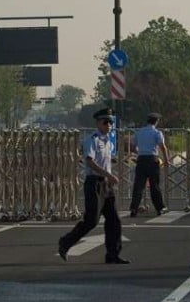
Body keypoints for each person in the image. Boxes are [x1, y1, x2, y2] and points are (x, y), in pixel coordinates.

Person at [58, 108, 129, 264]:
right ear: (98, 123)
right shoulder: (92, 140)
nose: (109, 125)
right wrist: (108, 174)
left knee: (114, 220)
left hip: (106, 185)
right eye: (105, 122)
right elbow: (90, 161)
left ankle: (113, 254)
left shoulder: (108, 142)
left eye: (111, 122)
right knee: (91, 221)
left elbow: (106, 160)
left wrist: (110, 172)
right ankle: (66, 242)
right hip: (94, 183)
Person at [129, 112, 170, 217]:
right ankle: (159, 208)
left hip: (141, 159)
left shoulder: (139, 132)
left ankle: (134, 209)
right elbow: (162, 147)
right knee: (154, 185)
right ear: (156, 121)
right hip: (152, 160)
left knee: (138, 186)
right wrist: (166, 160)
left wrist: (139, 152)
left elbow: (133, 145)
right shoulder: (157, 133)